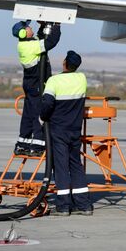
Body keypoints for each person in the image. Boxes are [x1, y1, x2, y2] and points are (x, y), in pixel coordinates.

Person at [41, 51, 92, 216]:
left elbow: (47, 103)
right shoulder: (81, 79)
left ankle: (63, 206)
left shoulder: (54, 81)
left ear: (64, 64)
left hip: (58, 130)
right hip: (75, 130)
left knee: (61, 166)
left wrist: (42, 117)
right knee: (75, 164)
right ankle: (84, 205)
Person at [13, 20, 61, 156]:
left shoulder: (25, 44)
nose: (29, 27)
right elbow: (50, 42)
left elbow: (39, 39)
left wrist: (42, 26)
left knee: (28, 114)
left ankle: (23, 144)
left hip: (30, 84)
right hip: (36, 85)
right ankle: (38, 145)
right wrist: (56, 26)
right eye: (27, 27)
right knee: (38, 114)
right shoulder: (31, 46)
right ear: (23, 33)